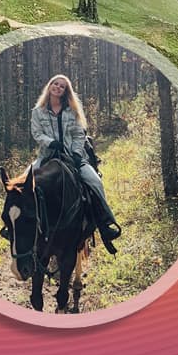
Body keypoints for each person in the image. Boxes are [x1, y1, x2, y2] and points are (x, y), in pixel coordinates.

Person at [29, 74, 121, 244]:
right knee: (24, 181)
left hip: (73, 156)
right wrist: (51, 143)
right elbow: (36, 133)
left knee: (94, 181)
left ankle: (104, 224)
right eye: (55, 84)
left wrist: (77, 153)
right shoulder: (37, 112)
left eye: (62, 86)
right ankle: (19, 226)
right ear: (49, 86)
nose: (57, 87)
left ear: (65, 91)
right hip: (47, 155)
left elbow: (79, 134)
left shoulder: (72, 111)